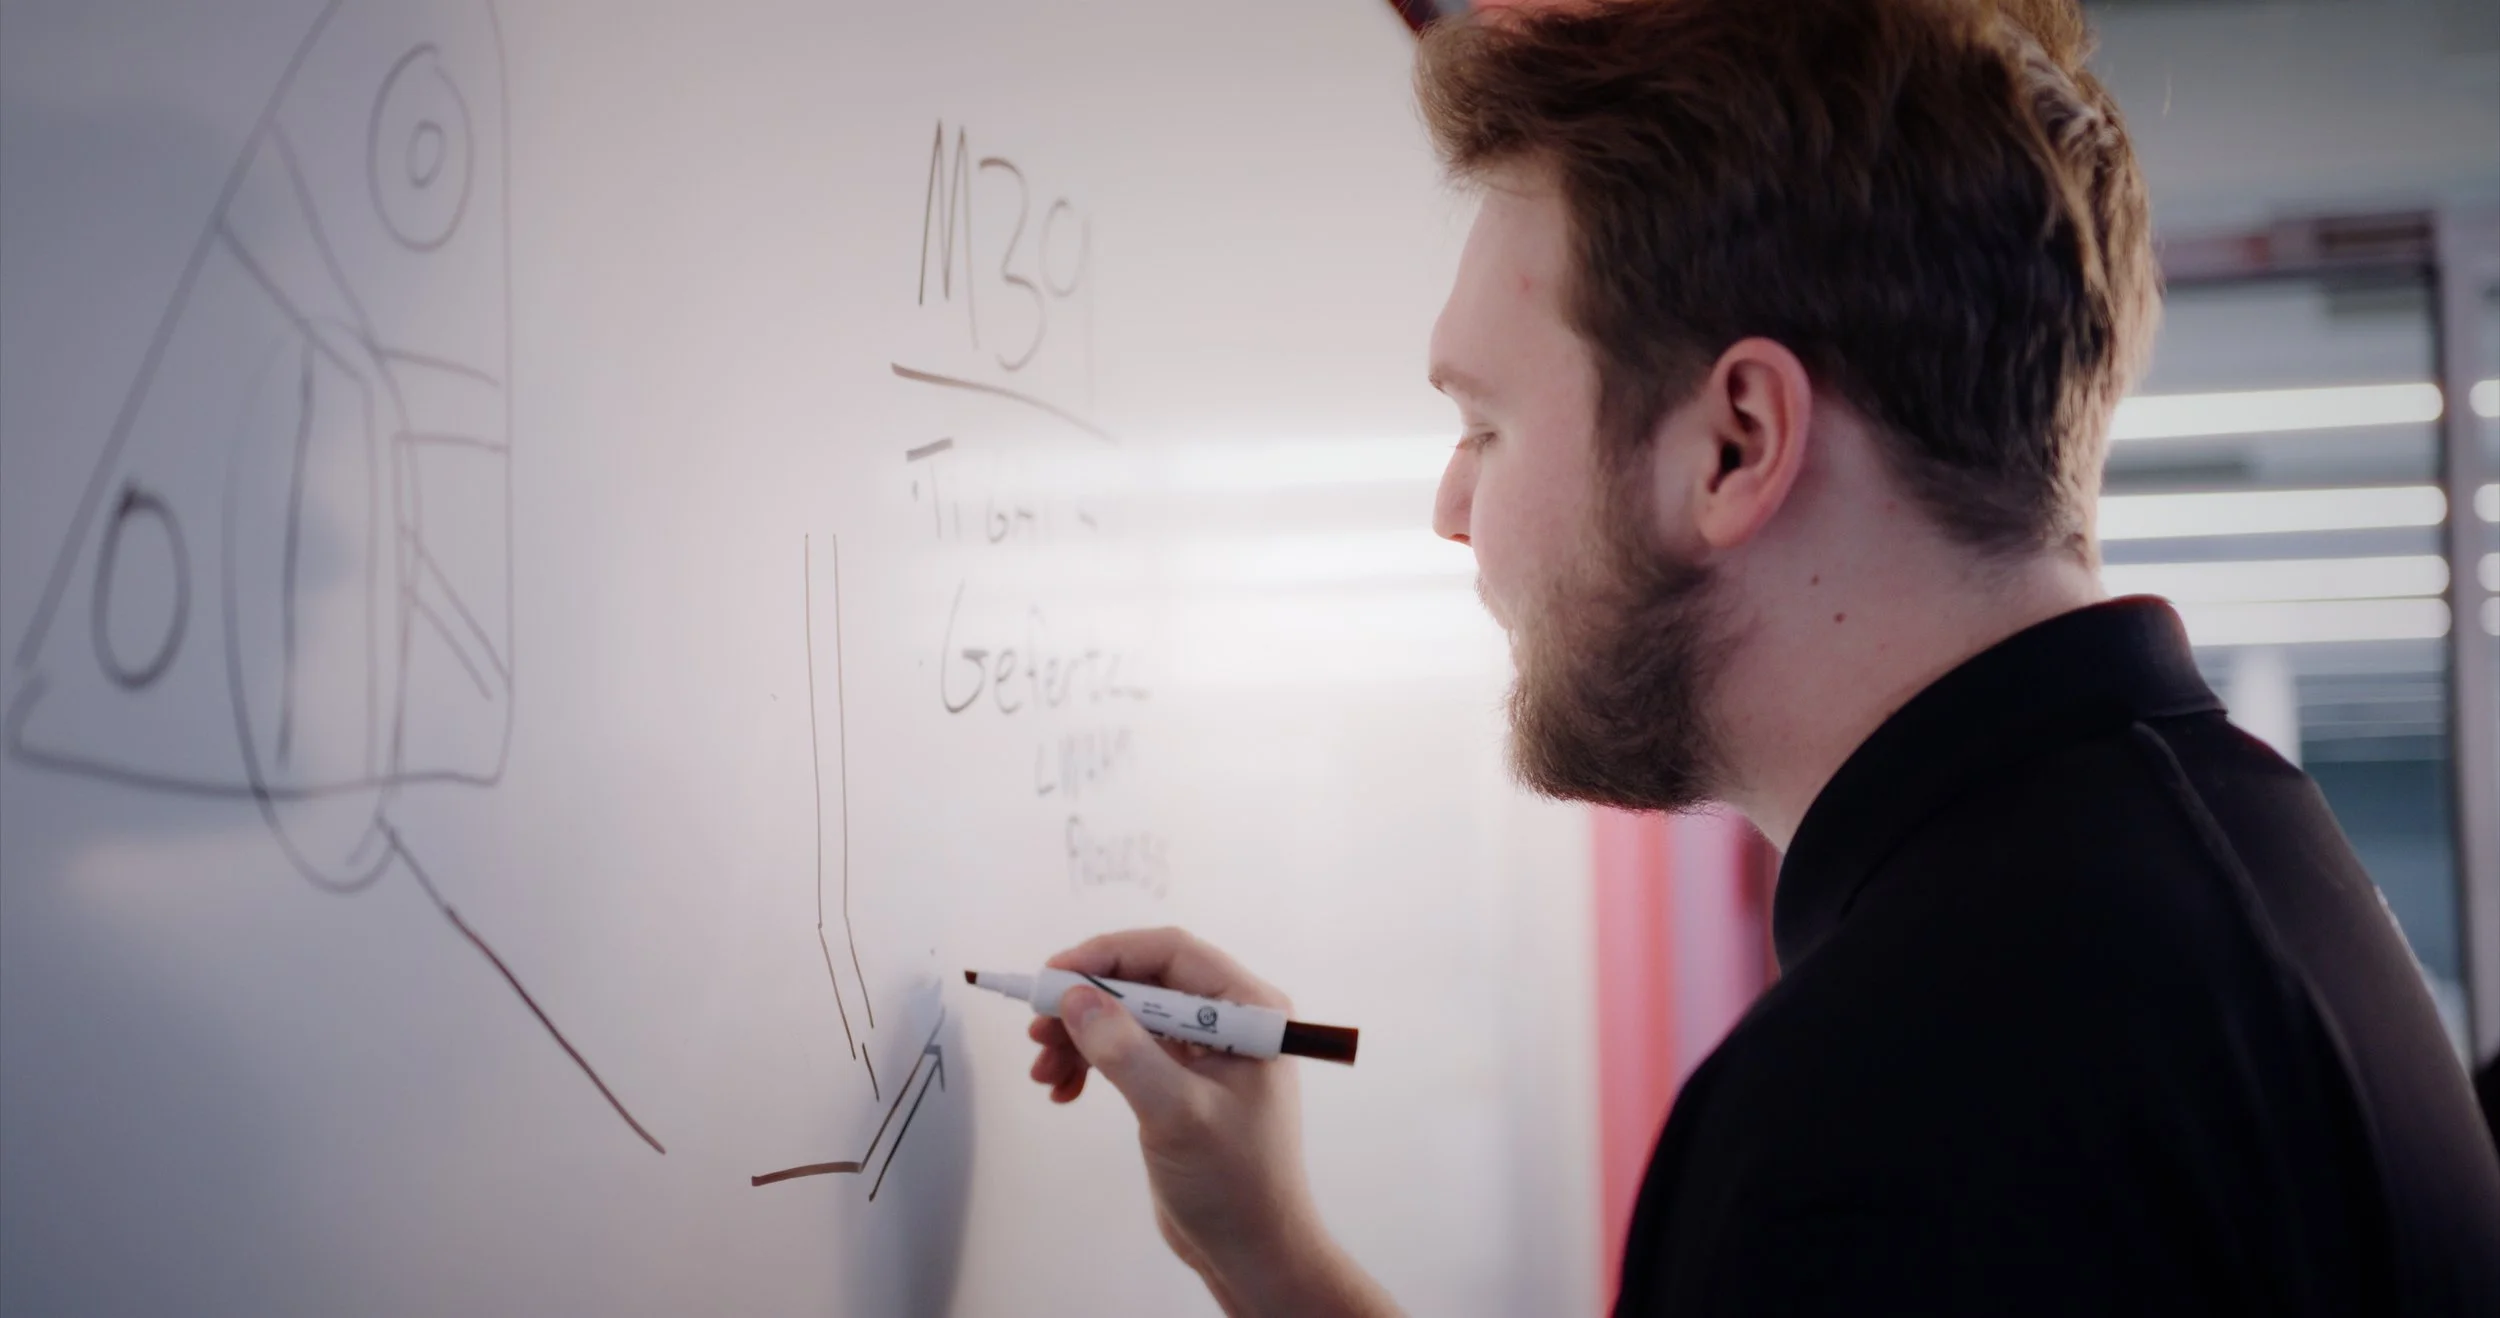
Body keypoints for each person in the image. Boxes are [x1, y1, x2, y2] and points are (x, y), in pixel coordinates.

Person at [1020, 0, 2500, 1311]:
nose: (1452, 507)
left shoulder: (1898, 1110)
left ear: (1736, 442)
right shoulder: (2221, 874)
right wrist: (1274, 1260)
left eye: (1485, 425)